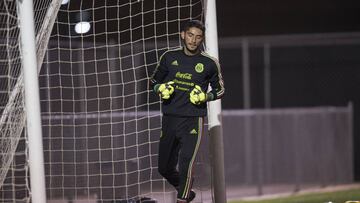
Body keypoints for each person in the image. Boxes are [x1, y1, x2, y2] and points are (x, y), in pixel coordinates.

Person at [150, 20, 225, 203]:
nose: (193, 40)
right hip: (170, 118)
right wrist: (160, 88)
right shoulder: (168, 57)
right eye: (190, 35)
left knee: (186, 163)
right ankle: (186, 192)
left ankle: (182, 198)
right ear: (183, 34)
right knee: (164, 168)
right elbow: (153, 81)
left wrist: (205, 97)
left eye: (198, 37)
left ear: (202, 39)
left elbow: (221, 90)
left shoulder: (209, 63)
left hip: (193, 120)